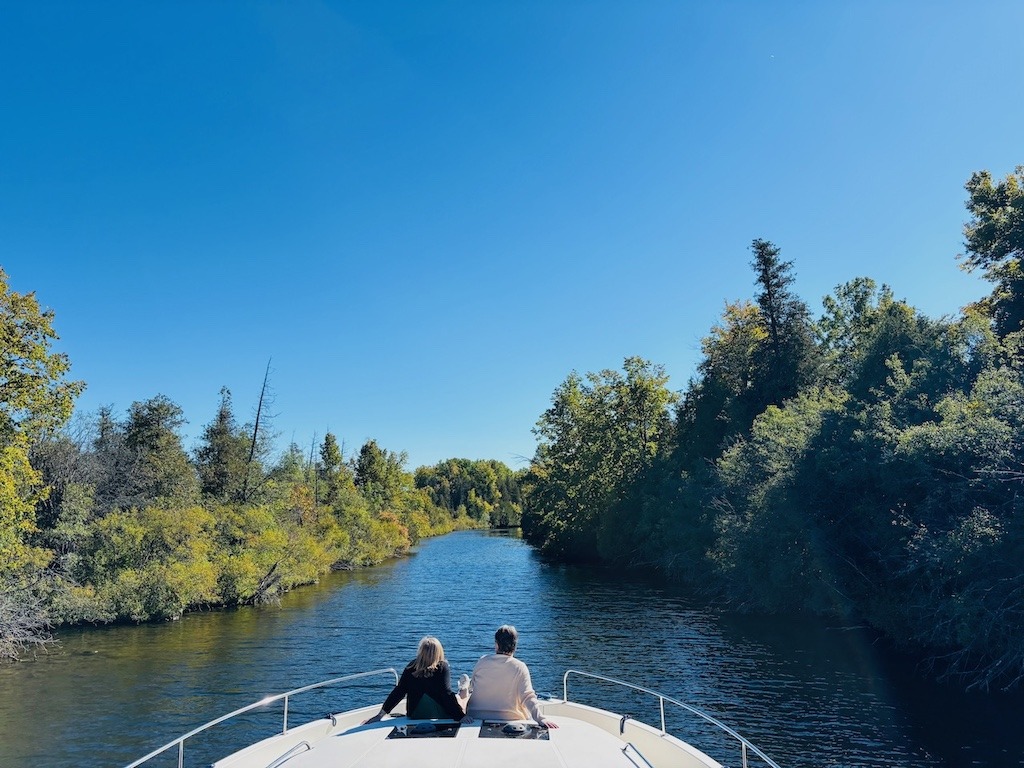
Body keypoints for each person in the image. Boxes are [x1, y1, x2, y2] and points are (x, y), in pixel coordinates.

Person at [463, 624, 558, 728]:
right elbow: (527, 697)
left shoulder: (482, 661)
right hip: (510, 718)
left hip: (475, 717)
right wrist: (540, 718)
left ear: (496, 644)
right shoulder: (520, 667)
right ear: (515, 645)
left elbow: (472, 687)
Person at [363, 636, 466, 723]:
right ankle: (463, 690)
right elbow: (446, 693)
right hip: (437, 713)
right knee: (459, 699)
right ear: (438, 652)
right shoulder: (442, 667)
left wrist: (380, 715)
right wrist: (461, 716)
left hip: (415, 714)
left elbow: (399, 692)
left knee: (456, 698)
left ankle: (463, 691)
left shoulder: (411, 666)